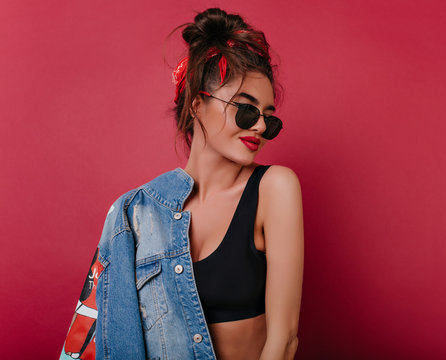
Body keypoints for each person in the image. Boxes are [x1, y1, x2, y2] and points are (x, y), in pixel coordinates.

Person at [59, 7, 304, 360]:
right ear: (195, 104)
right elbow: (108, 332)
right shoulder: (135, 214)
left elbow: (284, 341)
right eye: (246, 110)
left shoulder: (274, 188)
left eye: (269, 118)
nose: (261, 127)